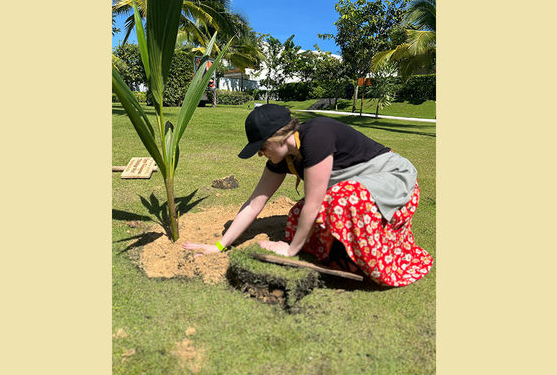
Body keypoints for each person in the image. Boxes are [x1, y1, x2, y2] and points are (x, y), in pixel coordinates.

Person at [182, 104, 432, 287]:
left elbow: (315, 202)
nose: (260, 154)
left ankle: (365, 260)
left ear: (277, 137)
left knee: (340, 199)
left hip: (393, 180)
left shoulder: (316, 136)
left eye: (261, 148)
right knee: (297, 216)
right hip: (360, 187)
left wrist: (291, 250)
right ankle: (342, 254)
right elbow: (254, 204)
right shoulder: (284, 157)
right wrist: (219, 246)